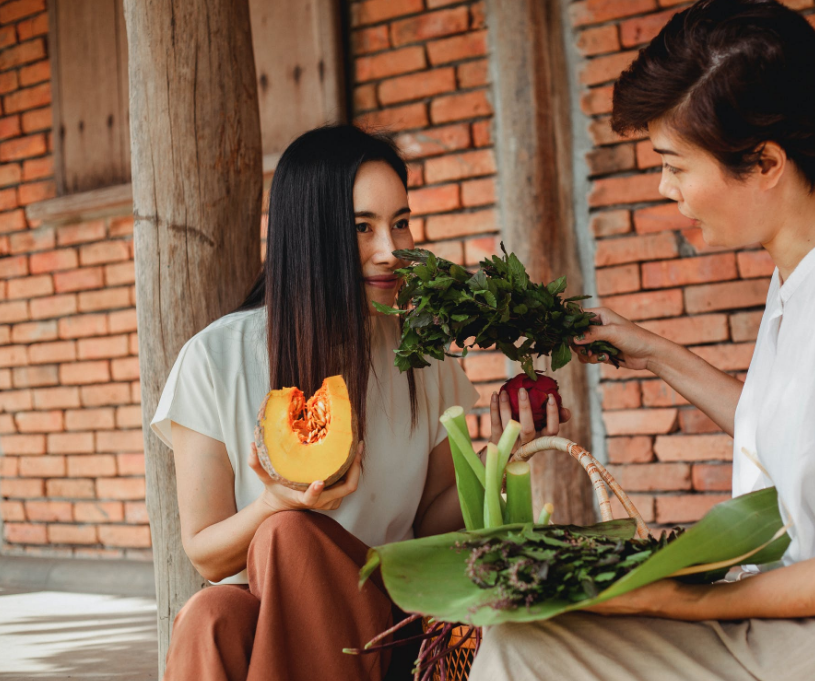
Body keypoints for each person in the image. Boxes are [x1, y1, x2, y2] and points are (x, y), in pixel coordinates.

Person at [469, 1, 815, 680]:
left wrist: (692, 602)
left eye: (673, 164)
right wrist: (652, 353)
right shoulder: (813, 265)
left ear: (763, 161)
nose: (664, 188)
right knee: (530, 634)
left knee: (529, 648)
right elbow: (798, 436)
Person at [150, 124, 566, 681]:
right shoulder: (215, 358)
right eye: (361, 227)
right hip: (274, 607)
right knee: (212, 612)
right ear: (310, 235)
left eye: (400, 222)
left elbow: (434, 518)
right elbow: (205, 555)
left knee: (286, 538)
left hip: (393, 615)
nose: (391, 251)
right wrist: (276, 502)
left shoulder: (423, 354)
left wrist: (504, 455)